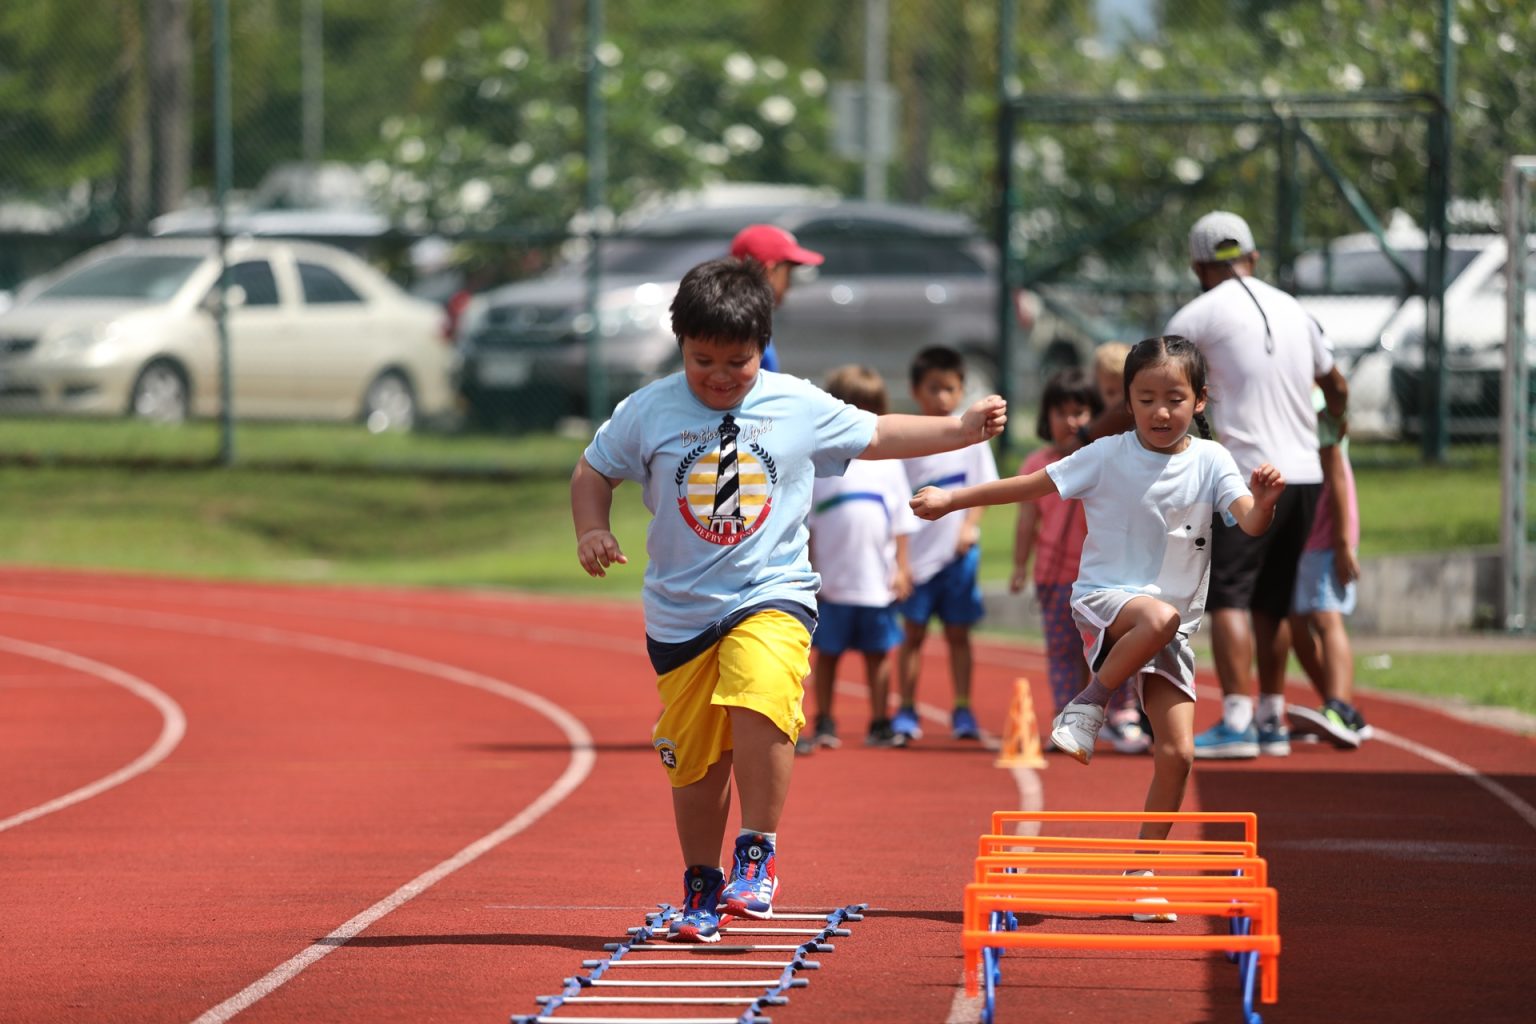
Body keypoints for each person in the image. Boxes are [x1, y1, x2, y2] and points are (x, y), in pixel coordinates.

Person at [571, 257, 1006, 943]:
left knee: (761, 691)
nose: (718, 375)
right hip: (681, 613)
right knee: (696, 761)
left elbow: (880, 433)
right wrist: (593, 526)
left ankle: (757, 850)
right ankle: (701, 885)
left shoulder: (794, 403)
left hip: (771, 593)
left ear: (762, 347)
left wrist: (958, 430)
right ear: (680, 344)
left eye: (736, 362)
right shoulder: (649, 409)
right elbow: (593, 470)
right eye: (702, 359)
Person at [912, 336, 1285, 910]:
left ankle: (1141, 873)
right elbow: (1031, 486)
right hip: (1106, 601)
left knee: (1178, 754)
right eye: (1146, 398)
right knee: (1157, 616)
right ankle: (1090, 702)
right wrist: (952, 501)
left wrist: (1263, 502)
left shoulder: (1211, 461)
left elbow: (1251, 525)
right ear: (1128, 403)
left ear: (1201, 401)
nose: (1161, 412)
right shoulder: (1107, 454)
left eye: (1175, 398)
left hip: (1169, 626)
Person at [1163, 210, 1348, 760]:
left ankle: (1238, 717)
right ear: (1253, 257)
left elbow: (1160, 384)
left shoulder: (1194, 316)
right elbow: (1334, 383)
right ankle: (1270, 715)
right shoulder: (1296, 310)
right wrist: (1335, 424)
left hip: (1243, 477)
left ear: (1198, 264)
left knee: (1231, 598)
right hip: (1304, 475)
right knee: (1273, 599)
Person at [800, 365, 919, 754]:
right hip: (832, 582)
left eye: (870, 407)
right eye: (854, 407)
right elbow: (811, 525)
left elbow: (901, 521)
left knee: (878, 654)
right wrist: (809, 574)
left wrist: (902, 569)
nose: (862, 416)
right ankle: (825, 720)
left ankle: (880, 721)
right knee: (827, 655)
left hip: (876, 583)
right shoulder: (820, 464)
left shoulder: (889, 463)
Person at [893, 346, 1000, 742]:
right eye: (933, 388)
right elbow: (896, 498)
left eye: (949, 389)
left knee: (959, 635)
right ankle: (905, 707)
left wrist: (969, 527)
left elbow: (985, 488)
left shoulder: (973, 439)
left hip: (957, 559)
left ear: (960, 392)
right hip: (919, 559)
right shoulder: (906, 440)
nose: (941, 398)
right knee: (914, 635)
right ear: (916, 391)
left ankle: (962, 708)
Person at [1010, 369, 1102, 720]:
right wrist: (1020, 567)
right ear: (1046, 417)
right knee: (1063, 650)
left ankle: (1116, 716)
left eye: (1080, 412)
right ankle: (1066, 715)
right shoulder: (1036, 464)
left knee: (1106, 652)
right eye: (1061, 412)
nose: (1071, 421)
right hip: (1054, 578)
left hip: (1099, 579)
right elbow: (1026, 520)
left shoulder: (1102, 460)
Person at [1287, 393, 1373, 747]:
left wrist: (1341, 543)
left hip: (1328, 533)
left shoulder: (1313, 403)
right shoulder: (1281, 399)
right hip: (1302, 535)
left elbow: (1336, 474)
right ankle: (1340, 709)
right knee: (1295, 624)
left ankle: (1339, 708)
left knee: (1326, 616)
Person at [1086, 342, 1150, 752]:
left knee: (1158, 639)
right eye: (1107, 394)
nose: (1115, 405)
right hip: (1115, 560)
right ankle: (1108, 707)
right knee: (1122, 636)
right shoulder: (1102, 444)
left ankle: (1142, 713)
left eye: (1120, 394)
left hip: (1151, 554)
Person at [729, 224, 825, 372]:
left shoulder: (751, 322)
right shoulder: (741, 330)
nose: (789, 286)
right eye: (788, 273)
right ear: (770, 272)